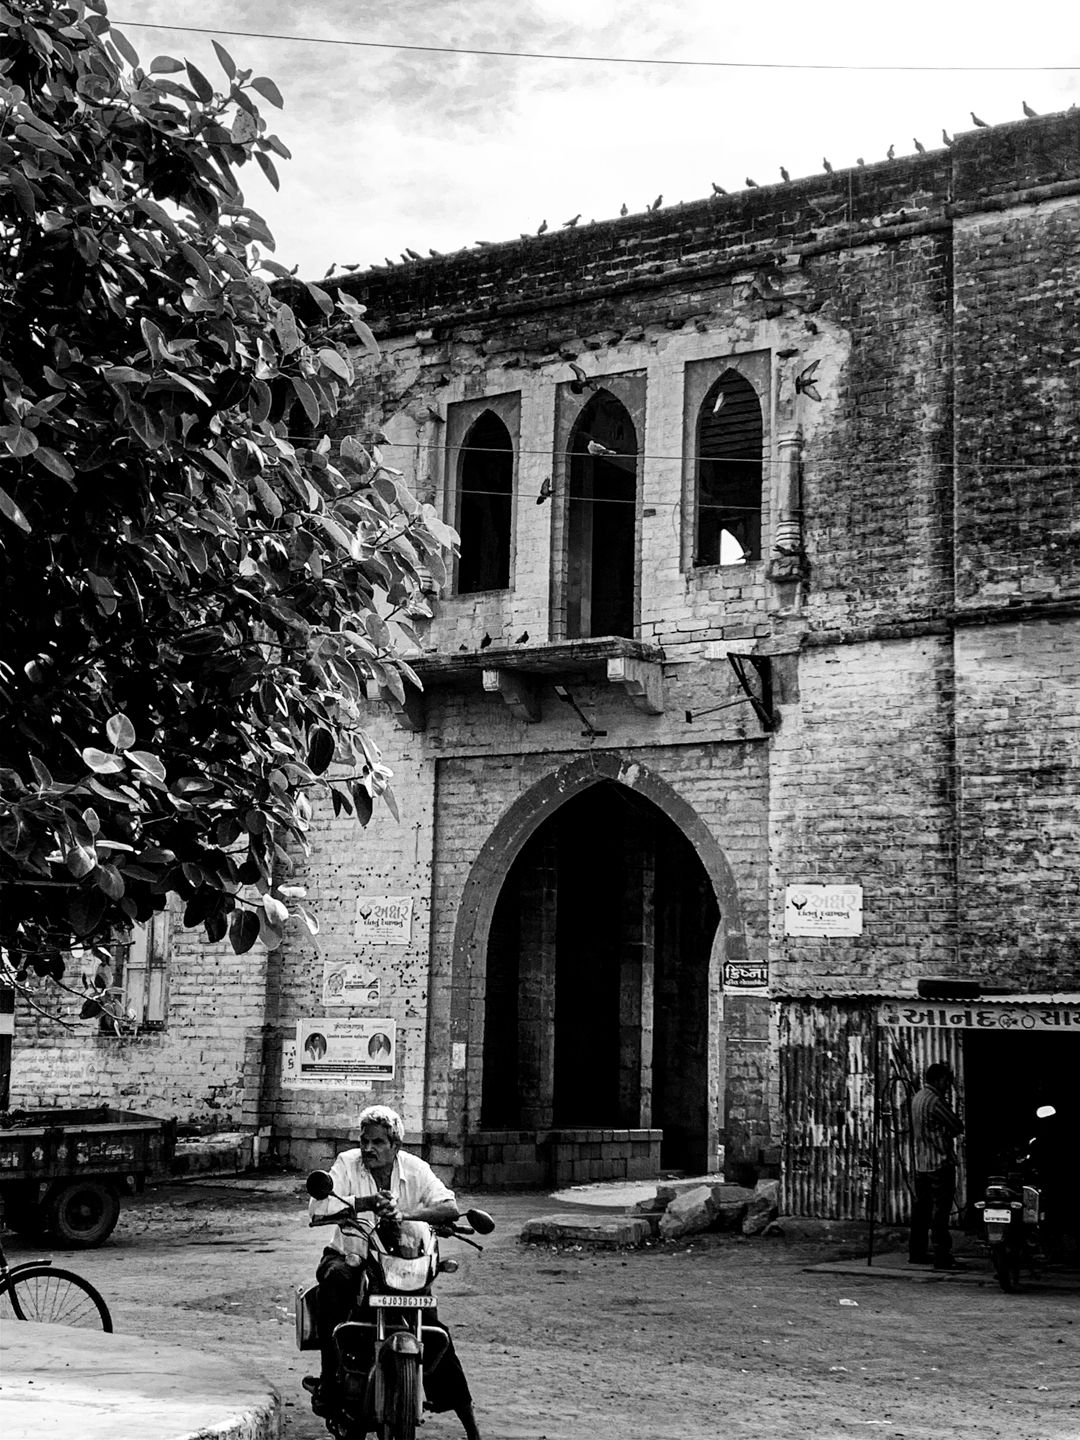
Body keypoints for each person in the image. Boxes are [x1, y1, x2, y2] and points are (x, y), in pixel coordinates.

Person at [304, 1103, 482, 1440]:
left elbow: (449, 1206)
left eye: (378, 1142)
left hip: (398, 1264)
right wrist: (368, 1203)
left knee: (432, 1329)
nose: (368, 1148)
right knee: (335, 1283)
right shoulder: (346, 1163)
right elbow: (319, 1206)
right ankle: (330, 1380)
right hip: (351, 1255)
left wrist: (405, 1215)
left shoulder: (415, 1169)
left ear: (395, 1145)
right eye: (364, 1140)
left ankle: (470, 1424)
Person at [908, 1062, 965, 1270]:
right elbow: (957, 1125)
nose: (948, 1084)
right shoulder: (934, 1101)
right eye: (946, 1080)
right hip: (939, 1163)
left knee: (921, 1210)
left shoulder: (918, 1098)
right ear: (940, 1079)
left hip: (922, 1164)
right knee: (940, 1212)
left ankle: (917, 1252)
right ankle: (942, 1256)